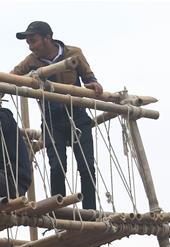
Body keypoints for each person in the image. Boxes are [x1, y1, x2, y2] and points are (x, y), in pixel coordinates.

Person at [12, 21, 102, 210]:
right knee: (57, 166)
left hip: (77, 115)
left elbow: (89, 77)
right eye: (28, 42)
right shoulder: (31, 61)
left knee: (86, 166)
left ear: (48, 38)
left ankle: (90, 211)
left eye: (33, 41)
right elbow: (12, 77)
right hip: (52, 120)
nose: (31, 46)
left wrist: (94, 84)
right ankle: (58, 212)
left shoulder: (73, 53)